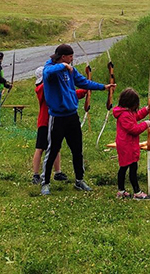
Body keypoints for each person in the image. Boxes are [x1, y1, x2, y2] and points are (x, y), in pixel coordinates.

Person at [39, 43, 113, 195]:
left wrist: (103, 87)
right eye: (70, 56)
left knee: (77, 150)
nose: (73, 59)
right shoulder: (50, 69)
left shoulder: (71, 70)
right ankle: (45, 182)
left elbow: (83, 82)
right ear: (63, 57)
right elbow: (47, 72)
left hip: (72, 115)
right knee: (52, 150)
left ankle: (79, 180)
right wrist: (64, 66)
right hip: (57, 117)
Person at [31, 66, 86, 185]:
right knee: (40, 148)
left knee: (55, 147)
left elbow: (67, 93)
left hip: (55, 120)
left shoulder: (49, 86)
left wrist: (84, 90)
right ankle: (36, 174)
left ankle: (57, 172)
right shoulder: (42, 88)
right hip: (45, 122)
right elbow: (63, 93)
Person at [113, 88, 150, 200]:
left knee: (126, 167)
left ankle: (121, 191)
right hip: (126, 146)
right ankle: (137, 192)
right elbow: (133, 129)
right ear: (130, 103)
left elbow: (136, 116)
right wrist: (146, 124)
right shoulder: (124, 115)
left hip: (128, 144)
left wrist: (146, 109)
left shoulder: (127, 112)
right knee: (129, 167)